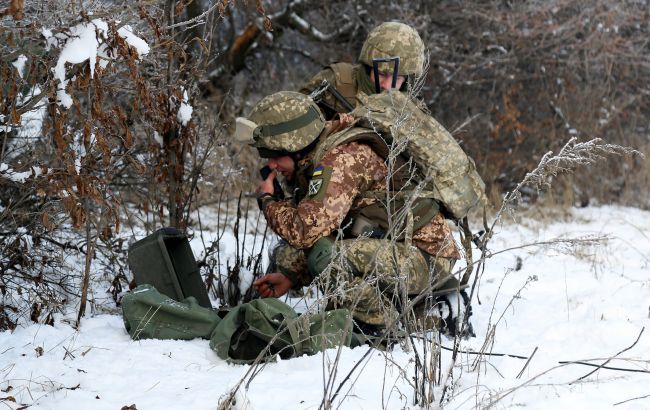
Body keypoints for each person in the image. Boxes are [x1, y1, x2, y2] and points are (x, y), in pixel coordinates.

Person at [238, 91, 472, 338]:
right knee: (295, 253)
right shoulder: (324, 153)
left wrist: (269, 201)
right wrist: (291, 276)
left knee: (326, 257)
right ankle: (414, 308)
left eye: (273, 156)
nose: (271, 165)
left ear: (295, 143)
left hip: (425, 258)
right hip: (397, 249)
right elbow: (325, 231)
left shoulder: (341, 160)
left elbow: (304, 232)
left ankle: (381, 326)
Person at [299, 21, 425, 119]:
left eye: (396, 78)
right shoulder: (337, 81)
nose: (387, 85)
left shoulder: (411, 109)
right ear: (368, 66)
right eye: (381, 74)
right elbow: (292, 118)